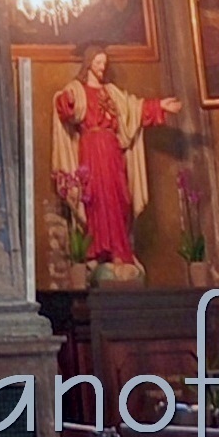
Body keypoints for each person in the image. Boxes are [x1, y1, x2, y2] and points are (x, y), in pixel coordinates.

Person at [51, 46, 180, 269]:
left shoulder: (111, 92)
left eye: (104, 63)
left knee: (118, 196)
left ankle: (119, 250)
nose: (103, 67)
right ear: (89, 63)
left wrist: (159, 105)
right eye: (99, 62)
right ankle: (97, 250)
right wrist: (68, 99)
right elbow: (64, 107)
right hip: (91, 149)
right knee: (96, 196)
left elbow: (134, 108)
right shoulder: (77, 89)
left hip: (112, 150)